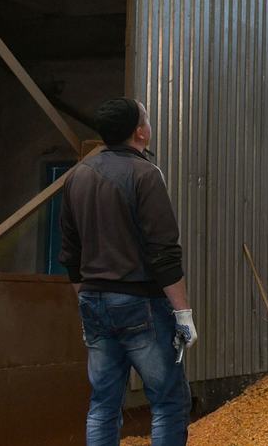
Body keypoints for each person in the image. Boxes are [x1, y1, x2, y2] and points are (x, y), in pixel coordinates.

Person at [59, 97, 197, 446]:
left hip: (93, 300)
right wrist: (183, 313)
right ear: (140, 132)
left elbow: (70, 254)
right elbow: (163, 251)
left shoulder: (76, 177)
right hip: (140, 304)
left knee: (103, 404)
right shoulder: (145, 174)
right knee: (168, 402)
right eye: (147, 119)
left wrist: (87, 302)